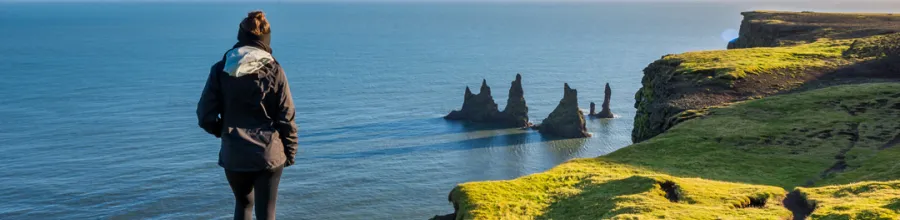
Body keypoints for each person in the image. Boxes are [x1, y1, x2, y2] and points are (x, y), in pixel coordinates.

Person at [197, 10, 298, 220]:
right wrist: (290, 152)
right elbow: (286, 117)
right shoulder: (275, 70)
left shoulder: (220, 69)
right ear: (265, 39)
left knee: (243, 205)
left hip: (235, 153)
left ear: (240, 37)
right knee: (266, 212)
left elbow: (205, 116)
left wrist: (225, 131)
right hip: (269, 154)